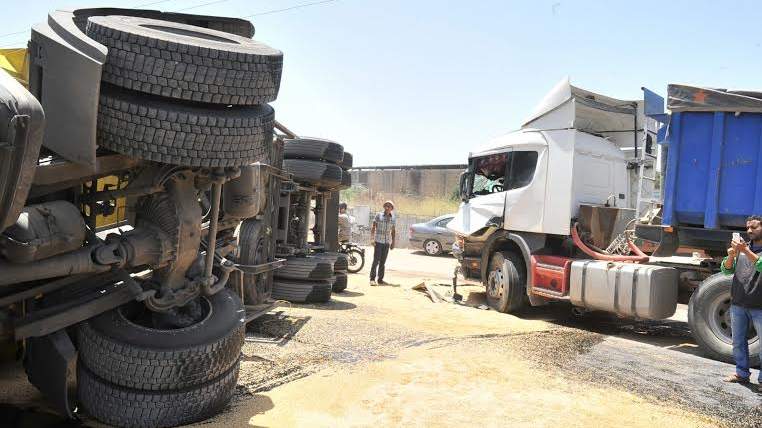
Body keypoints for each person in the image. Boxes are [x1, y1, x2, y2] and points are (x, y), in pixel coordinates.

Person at [721, 215, 762, 390]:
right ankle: (742, 373)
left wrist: (744, 250)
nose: (749, 230)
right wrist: (731, 255)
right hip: (738, 303)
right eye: (747, 227)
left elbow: (760, 265)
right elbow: (726, 270)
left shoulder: (745, 249)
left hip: (760, 306)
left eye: (754, 227)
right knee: (738, 341)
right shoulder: (742, 248)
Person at [369, 200, 396, 286]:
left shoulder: (393, 218)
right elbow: (373, 227)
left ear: (392, 208)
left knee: (383, 262)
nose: (387, 207)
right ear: (384, 207)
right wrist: (372, 239)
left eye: (389, 206)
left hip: (386, 242)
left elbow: (393, 231)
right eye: (386, 206)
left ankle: (380, 279)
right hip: (378, 241)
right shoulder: (378, 215)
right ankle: (372, 279)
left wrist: (393, 242)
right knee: (376, 260)